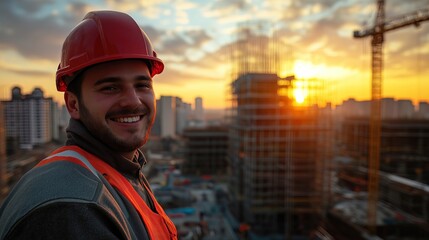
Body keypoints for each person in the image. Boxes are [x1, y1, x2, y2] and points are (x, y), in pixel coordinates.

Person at [0, 10, 177, 240]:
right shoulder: (72, 209)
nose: (133, 101)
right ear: (73, 104)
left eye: (142, 85)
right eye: (110, 88)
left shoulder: (116, 170)